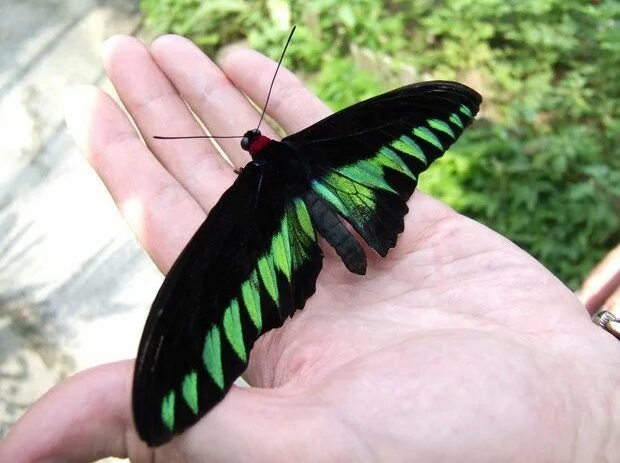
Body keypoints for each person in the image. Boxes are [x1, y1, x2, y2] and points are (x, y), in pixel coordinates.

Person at [0, 34, 618, 463]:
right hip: (352, 195)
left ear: (251, 153)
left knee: (213, 272)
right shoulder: (322, 145)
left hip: (306, 220)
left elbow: (437, 106)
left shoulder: (242, 205)